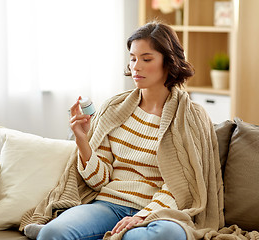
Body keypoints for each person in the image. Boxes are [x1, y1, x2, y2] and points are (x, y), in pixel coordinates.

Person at [24, 21, 224, 240]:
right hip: (109, 205)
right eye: (132, 58)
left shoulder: (191, 116)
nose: (135, 67)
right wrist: (82, 141)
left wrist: (143, 216)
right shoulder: (114, 109)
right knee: (53, 233)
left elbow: (184, 187)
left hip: (160, 214)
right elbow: (99, 181)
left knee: (165, 235)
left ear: (169, 62)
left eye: (146, 59)